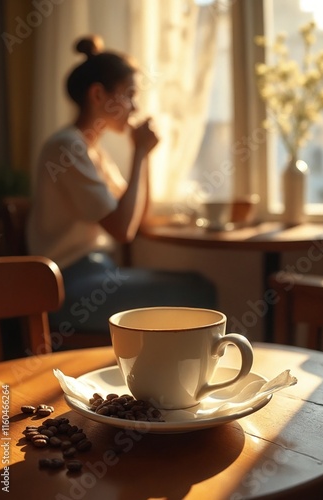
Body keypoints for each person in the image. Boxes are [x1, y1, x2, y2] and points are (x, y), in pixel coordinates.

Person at [26, 35, 217, 344]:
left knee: (197, 285)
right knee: (199, 290)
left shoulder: (93, 152)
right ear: (99, 95)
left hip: (99, 273)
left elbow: (137, 218)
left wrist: (145, 156)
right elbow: (121, 229)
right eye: (129, 94)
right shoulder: (66, 148)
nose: (134, 106)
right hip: (69, 286)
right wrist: (139, 153)